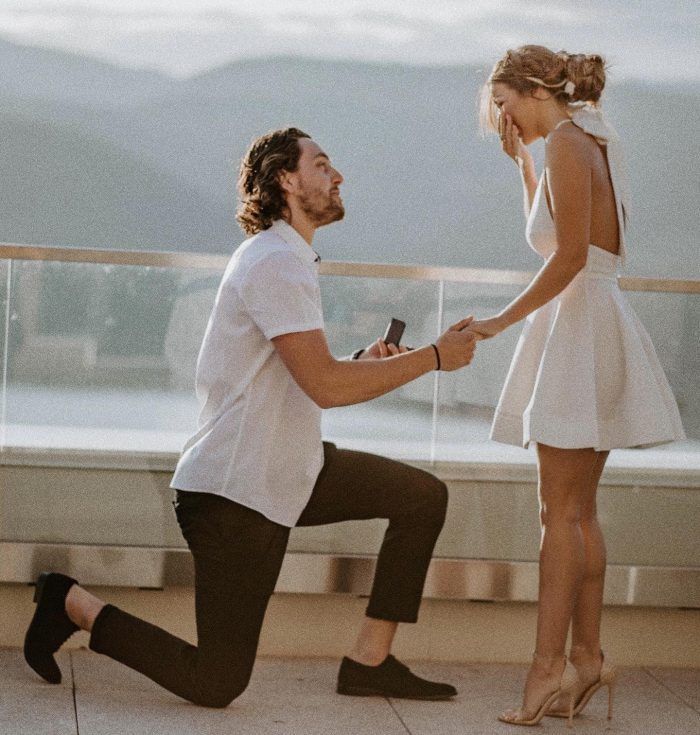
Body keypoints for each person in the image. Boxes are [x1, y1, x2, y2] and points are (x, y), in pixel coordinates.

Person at [24, 127, 478, 708]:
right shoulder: (275, 262)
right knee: (216, 682)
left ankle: (370, 660)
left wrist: (361, 362)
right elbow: (326, 388)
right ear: (286, 180)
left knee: (421, 497)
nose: (337, 177)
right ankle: (70, 603)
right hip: (235, 495)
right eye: (322, 165)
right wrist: (433, 358)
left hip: (288, 471)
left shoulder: (288, 260)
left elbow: (306, 377)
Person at [470, 45, 685, 726]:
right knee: (580, 511)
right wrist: (521, 170)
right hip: (599, 322)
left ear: (534, 91)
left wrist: (500, 320)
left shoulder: (568, 140)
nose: (502, 119)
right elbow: (568, 240)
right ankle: (587, 656)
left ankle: (545, 670)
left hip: (577, 331)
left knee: (557, 513)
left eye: (504, 104)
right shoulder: (593, 137)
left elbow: (565, 257)